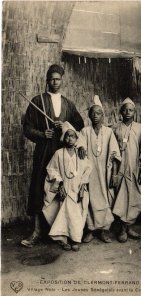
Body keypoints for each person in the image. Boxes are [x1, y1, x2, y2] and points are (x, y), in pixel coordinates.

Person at [21, 64, 84, 247]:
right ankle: (37, 231)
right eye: (52, 79)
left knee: (61, 189)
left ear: (62, 81)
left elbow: (78, 124)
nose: (55, 82)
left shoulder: (67, 103)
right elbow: (27, 128)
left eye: (58, 79)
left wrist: (65, 125)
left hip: (61, 152)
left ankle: (60, 231)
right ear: (47, 80)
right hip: (43, 151)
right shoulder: (37, 101)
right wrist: (42, 134)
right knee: (39, 187)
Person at [112, 98, 141, 242]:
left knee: (135, 196)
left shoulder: (139, 128)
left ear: (134, 112)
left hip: (135, 168)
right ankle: (122, 229)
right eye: (125, 110)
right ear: (121, 112)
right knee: (120, 197)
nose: (127, 112)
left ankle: (128, 226)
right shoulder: (115, 128)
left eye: (130, 110)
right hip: (119, 168)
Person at [42, 122, 92, 251]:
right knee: (64, 214)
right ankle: (63, 239)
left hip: (77, 188)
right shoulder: (59, 153)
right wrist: (60, 184)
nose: (70, 138)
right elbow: (51, 169)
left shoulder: (80, 154)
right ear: (63, 138)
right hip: (65, 188)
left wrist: (82, 187)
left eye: (72, 136)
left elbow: (87, 169)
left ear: (76, 139)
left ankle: (75, 239)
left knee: (77, 215)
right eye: (67, 136)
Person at [80, 96, 121, 243]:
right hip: (90, 173)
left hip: (105, 172)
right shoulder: (84, 131)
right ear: (89, 116)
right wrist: (81, 149)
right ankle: (91, 229)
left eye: (99, 113)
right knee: (90, 199)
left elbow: (115, 154)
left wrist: (114, 174)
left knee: (105, 198)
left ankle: (104, 230)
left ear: (103, 116)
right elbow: (81, 147)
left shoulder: (108, 132)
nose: (96, 116)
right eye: (93, 113)